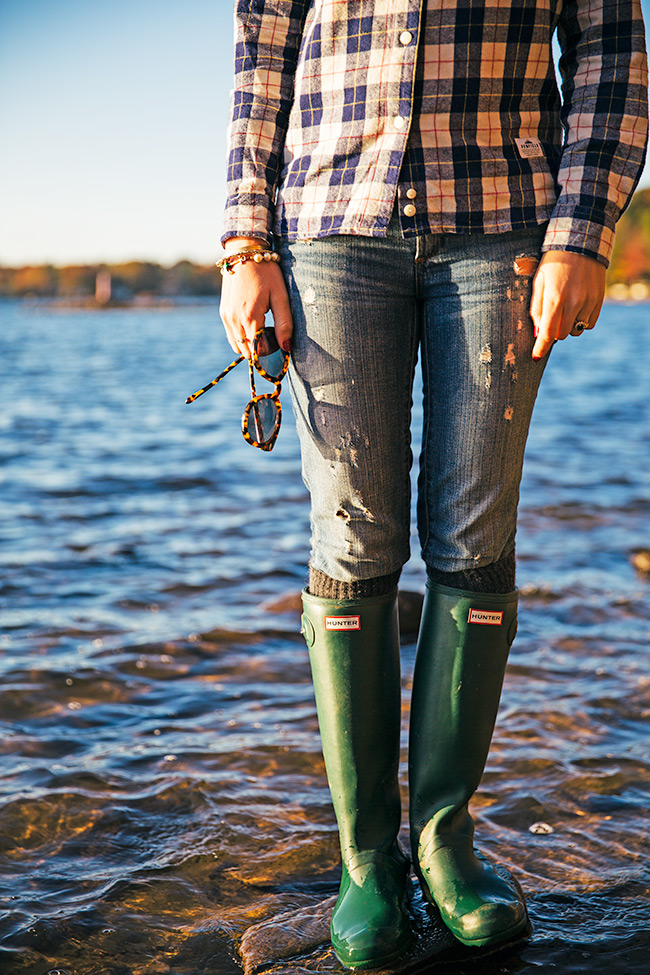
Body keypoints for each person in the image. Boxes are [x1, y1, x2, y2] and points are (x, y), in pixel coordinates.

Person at [218, 1, 648, 969]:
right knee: (352, 538)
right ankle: (366, 859)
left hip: (505, 227)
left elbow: (611, 49)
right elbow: (261, 56)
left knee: (472, 532)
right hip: (329, 226)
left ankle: (442, 838)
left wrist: (583, 229)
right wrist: (245, 244)